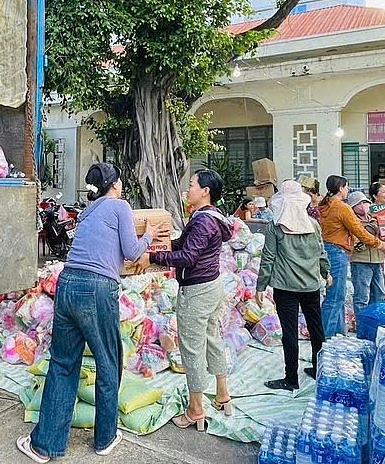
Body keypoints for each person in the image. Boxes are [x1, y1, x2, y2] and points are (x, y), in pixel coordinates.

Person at [17, 163, 167, 462]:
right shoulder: (119, 206)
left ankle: (44, 446)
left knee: (62, 364)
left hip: (67, 283)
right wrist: (149, 234)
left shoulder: (88, 212)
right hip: (97, 289)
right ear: (114, 184)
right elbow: (132, 252)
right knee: (108, 362)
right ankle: (105, 438)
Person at [134, 169, 233, 430]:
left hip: (197, 291)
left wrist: (152, 258)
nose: (187, 190)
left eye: (191, 185)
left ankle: (196, 410)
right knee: (213, 339)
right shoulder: (211, 216)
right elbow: (187, 245)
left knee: (192, 349)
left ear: (205, 191)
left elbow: (188, 257)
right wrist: (162, 242)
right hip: (212, 286)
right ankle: (222, 395)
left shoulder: (202, 221)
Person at [255, 180, 330, 391]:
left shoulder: (275, 226)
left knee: (290, 333)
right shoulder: (313, 224)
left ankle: (291, 378)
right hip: (311, 285)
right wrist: (326, 272)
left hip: (285, 287)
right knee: (316, 329)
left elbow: (268, 257)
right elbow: (321, 252)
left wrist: (260, 286)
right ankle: (319, 370)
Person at [318, 176, 385, 338]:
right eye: (346, 187)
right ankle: (325, 338)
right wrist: (382, 245)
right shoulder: (341, 207)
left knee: (337, 296)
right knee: (335, 297)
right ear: (341, 188)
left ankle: (338, 334)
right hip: (337, 252)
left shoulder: (325, 205)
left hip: (328, 250)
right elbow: (359, 231)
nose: (348, 190)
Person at [348, 191, 385, 320]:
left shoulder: (376, 219)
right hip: (360, 261)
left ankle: (375, 321)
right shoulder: (352, 222)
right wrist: (367, 236)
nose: (363, 205)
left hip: (377, 260)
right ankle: (362, 323)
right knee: (362, 296)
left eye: (365, 202)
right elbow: (355, 243)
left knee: (379, 293)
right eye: (359, 203)